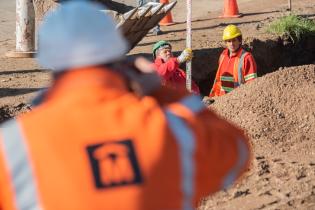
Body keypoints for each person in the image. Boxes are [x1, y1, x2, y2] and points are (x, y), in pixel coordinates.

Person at [0, 1, 251, 210]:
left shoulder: (14, 146)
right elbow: (237, 153)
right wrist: (159, 92)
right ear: (118, 58)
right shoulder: (169, 128)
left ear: (51, 64)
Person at [209, 25, 257, 97]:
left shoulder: (246, 58)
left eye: (234, 40)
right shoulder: (223, 56)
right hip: (222, 99)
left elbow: (252, 84)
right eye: (229, 41)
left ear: (239, 41)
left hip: (238, 100)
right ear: (226, 43)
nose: (231, 44)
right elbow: (218, 81)